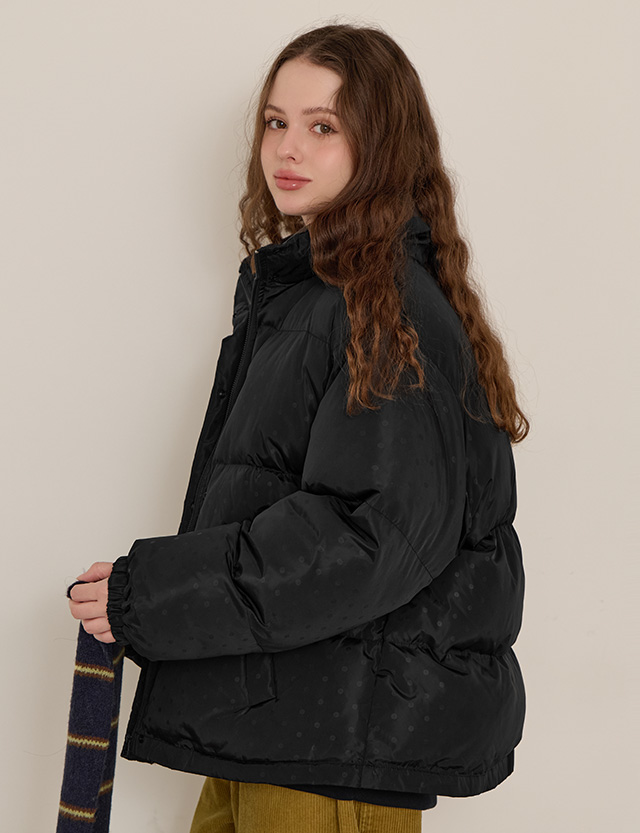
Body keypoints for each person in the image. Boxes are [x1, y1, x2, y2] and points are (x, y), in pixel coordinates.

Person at [67, 22, 529, 833]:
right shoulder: (323, 297)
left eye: (324, 127)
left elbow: (363, 537)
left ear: (381, 145)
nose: (288, 148)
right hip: (277, 732)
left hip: (330, 754)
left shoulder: (383, 310)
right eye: (276, 121)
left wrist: (153, 598)